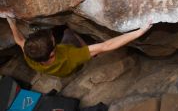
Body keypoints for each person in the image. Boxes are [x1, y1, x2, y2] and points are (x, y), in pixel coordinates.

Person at [3, 10, 152, 77]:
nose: (52, 35)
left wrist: (11, 21)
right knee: (72, 36)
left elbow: (19, 40)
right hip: (72, 64)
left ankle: (71, 34)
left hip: (59, 72)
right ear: (53, 51)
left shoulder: (30, 54)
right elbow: (105, 46)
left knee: (67, 32)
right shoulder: (71, 55)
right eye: (52, 39)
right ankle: (80, 41)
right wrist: (139, 32)